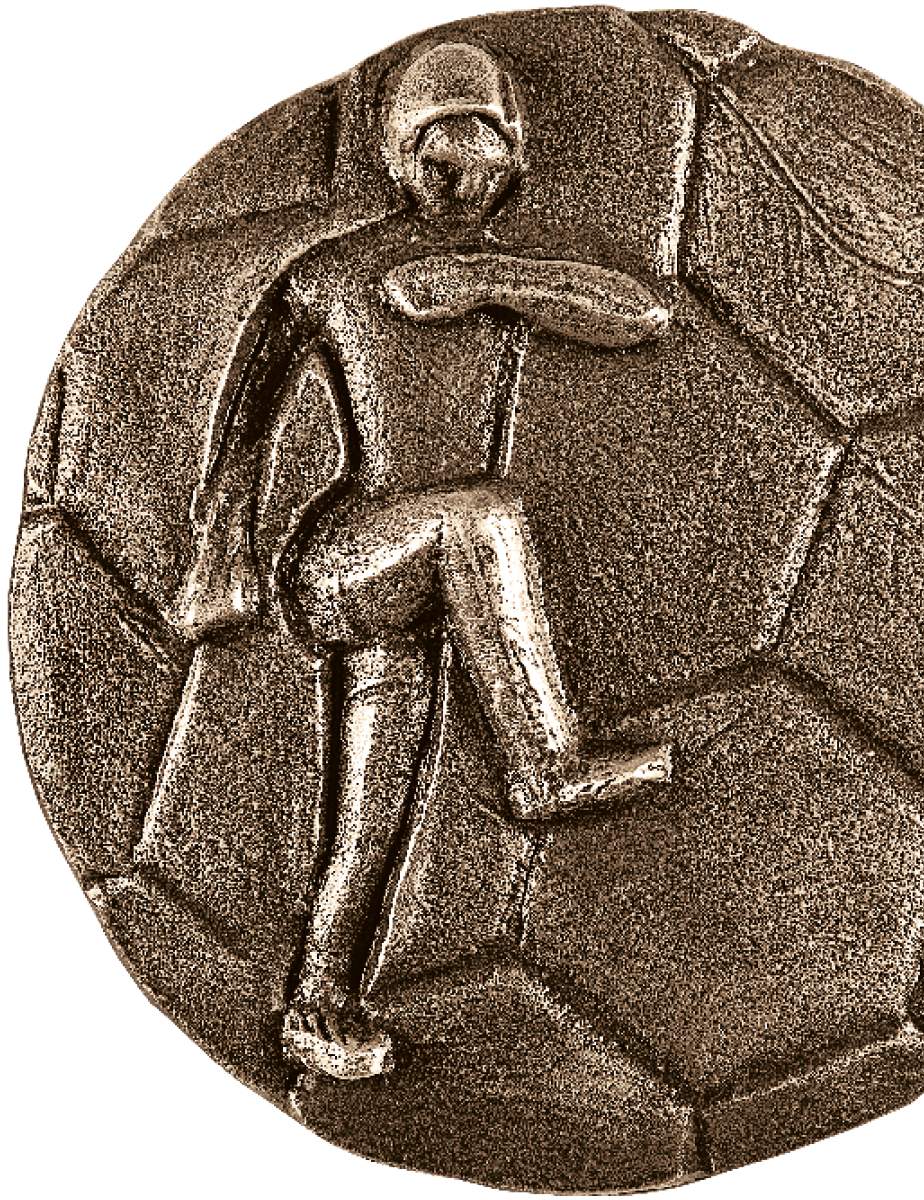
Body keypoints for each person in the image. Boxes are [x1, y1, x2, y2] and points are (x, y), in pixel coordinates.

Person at [175, 41, 672, 1080]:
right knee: (479, 518)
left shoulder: (506, 275)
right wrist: (221, 552)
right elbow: (246, 420)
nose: (461, 184)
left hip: (434, 584)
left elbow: (643, 314)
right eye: (438, 161)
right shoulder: (329, 277)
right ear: (399, 159)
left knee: (373, 810)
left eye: (483, 161)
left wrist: (490, 281)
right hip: (345, 563)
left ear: (514, 159)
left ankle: (316, 1003)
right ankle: (544, 762)